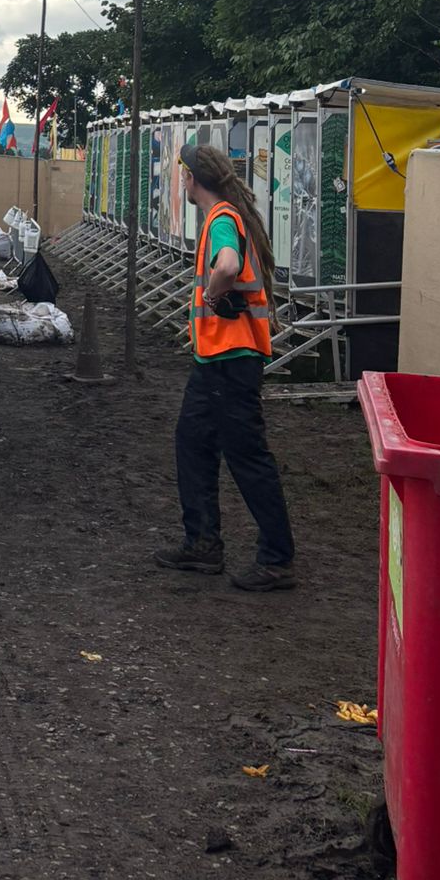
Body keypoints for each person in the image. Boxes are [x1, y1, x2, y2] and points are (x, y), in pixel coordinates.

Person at [154, 141, 295, 590]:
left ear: (192, 178)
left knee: (247, 456)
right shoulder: (229, 216)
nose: (182, 181)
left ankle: (277, 560)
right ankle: (202, 543)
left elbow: (228, 266)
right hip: (215, 361)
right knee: (192, 443)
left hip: (230, 361)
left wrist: (213, 296)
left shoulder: (220, 220)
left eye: (183, 174)